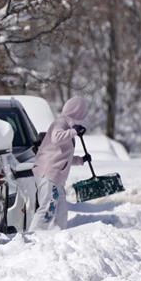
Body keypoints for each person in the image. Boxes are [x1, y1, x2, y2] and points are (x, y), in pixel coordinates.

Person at [31, 96, 91, 230]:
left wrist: (81, 160)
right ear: (77, 111)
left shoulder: (67, 125)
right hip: (49, 173)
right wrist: (74, 131)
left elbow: (63, 157)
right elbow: (56, 138)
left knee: (61, 211)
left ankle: (59, 236)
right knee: (47, 209)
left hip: (57, 177)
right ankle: (32, 238)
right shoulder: (60, 123)